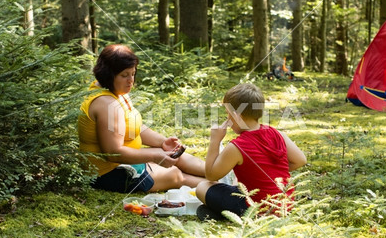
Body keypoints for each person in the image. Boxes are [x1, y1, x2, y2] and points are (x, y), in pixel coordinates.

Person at [78, 44, 206, 194]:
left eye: (133, 73)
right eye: (124, 75)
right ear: (108, 75)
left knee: (177, 156)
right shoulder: (106, 104)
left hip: (124, 162)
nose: (130, 80)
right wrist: (155, 155)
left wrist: (162, 143)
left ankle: (223, 174)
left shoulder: (118, 92)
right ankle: (224, 190)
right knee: (175, 174)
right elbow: (113, 152)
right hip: (108, 173)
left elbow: (135, 127)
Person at [195, 83, 307, 220]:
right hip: (284, 205)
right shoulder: (277, 134)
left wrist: (215, 141)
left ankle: (236, 216)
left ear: (236, 116)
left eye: (227, 114)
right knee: (237, 182)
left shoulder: (237, 147)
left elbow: (211, 176)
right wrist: (269, 175)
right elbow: (301, 160)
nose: (227, 119)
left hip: (255, 208)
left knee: (202, 187)